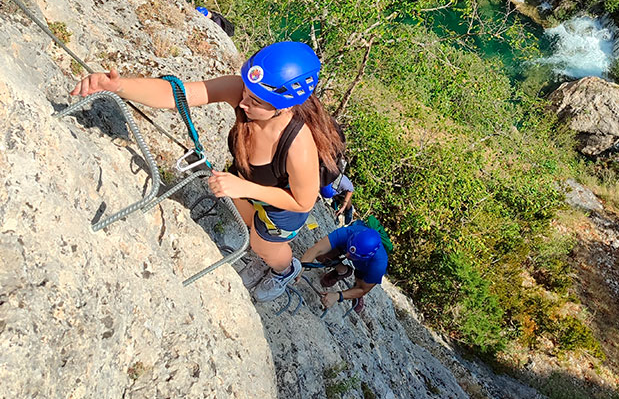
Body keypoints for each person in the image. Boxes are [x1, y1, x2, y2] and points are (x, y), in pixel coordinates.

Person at [71, 41, 344, 302]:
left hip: (283, 205)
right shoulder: (245, 92)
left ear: (284, 106)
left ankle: (284, 270)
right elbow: (178, 94)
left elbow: (303, 202)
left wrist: (245, 188)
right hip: (247, 182)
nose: (243, 103)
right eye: (246, 92)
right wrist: (119, 86)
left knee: (264, 245)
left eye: (256, 101)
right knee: (248, 222)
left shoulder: (299, 146)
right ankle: (257, 248)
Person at [300, 223, 388, 314]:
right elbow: (316, 249)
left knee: (360, 284)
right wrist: (300, 267)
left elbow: (363, 289)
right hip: (346, 244)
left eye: (352, 255)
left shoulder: (378, 265)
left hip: (364, 267)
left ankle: (355, 293)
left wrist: (338, 296)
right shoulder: (348, 232)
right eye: (348, 252)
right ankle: (342, 270)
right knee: (322, 256)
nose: (346, 256)